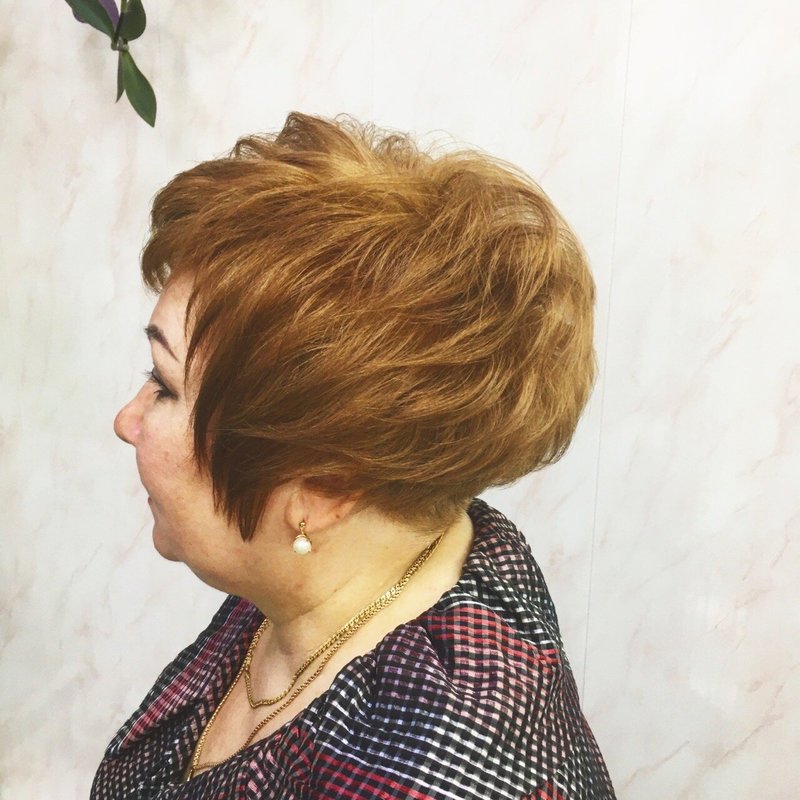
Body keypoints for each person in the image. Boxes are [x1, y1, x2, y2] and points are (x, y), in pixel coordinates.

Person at [91, 111, 616, 799]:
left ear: (326, 486)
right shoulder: (341, 566)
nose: (126, 421)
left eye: (163, 384)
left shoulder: (420, 776)